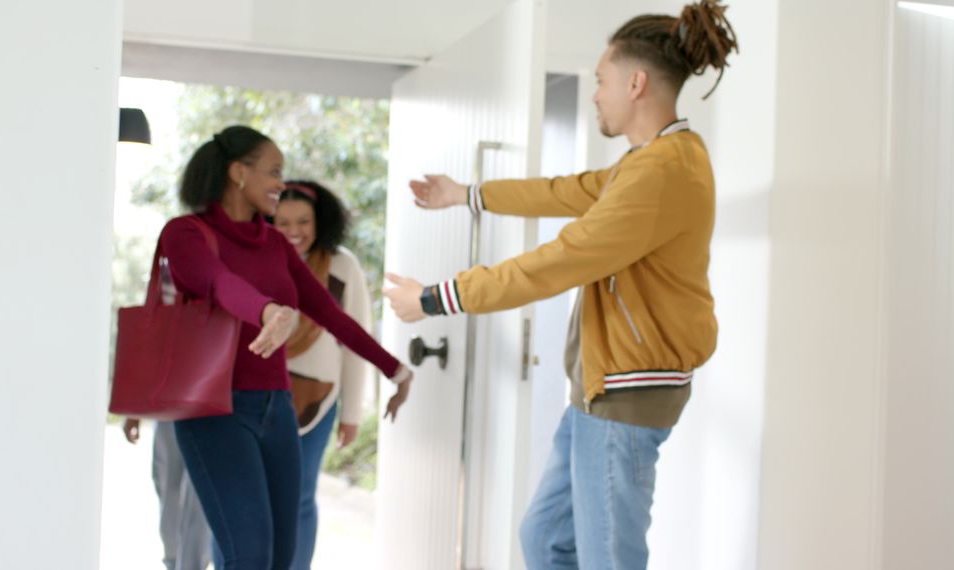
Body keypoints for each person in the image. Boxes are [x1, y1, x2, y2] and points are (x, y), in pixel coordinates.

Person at [382, 1, 737, 568]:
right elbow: (566, 190)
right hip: (600, 393)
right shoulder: (655, 160)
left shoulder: (661, 171)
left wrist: (435, 298)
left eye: (602, 81)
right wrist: (466, 194)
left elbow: (559, 262)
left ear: (637, 82)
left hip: (626, 395)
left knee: (608, 559)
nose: (596, 93)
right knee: (546, 539)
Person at [161, 125, 413, 569]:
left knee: (281, 557)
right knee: (249, 556)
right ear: (238, 173)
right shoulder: (186, 234)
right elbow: (220, 284)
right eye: (273, 171)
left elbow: (331, 314)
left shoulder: (275, 243)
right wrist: (266, 312)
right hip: (215, 411)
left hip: (276, 408)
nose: (281, 182)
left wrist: (395, 369)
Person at [270, 180, 375, 570]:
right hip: (258, 397)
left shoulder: (342, 265)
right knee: (257, 498)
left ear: (321, 221)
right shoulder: (260, 258)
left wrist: (350, 415)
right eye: (282, 222)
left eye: (303, 221)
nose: (294, 231)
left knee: (299, 497)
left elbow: (356, 342)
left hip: (318, 399)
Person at [121, 418, 211, 570]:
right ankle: (176, 562)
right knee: (170, 487)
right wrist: (133, 412)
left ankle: (187, 564)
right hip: (169, 409)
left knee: (198, 494)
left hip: (211, 413)